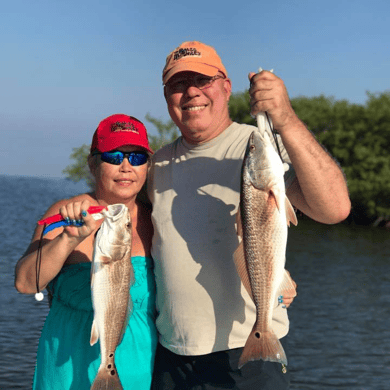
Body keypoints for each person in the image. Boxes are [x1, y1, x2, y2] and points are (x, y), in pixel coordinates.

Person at [147, 41, 351, 389]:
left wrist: (285, 118)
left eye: (203, 80)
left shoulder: (262, 145)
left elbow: (334, 208)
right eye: (178, 84)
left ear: (226, 87)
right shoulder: (154, 165)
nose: (191, 92)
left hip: (246, 354)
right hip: (171, 357)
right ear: (166, 96)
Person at [14, 114, 157, 389]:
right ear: (93, 164)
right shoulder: (64, 213)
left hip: (137, 369)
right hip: (66, 367)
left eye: (137, 158)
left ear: (147, 167)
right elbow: (25, 283)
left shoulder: (156, 222)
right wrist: (68, 238)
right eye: (114, 157)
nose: (126, 166)